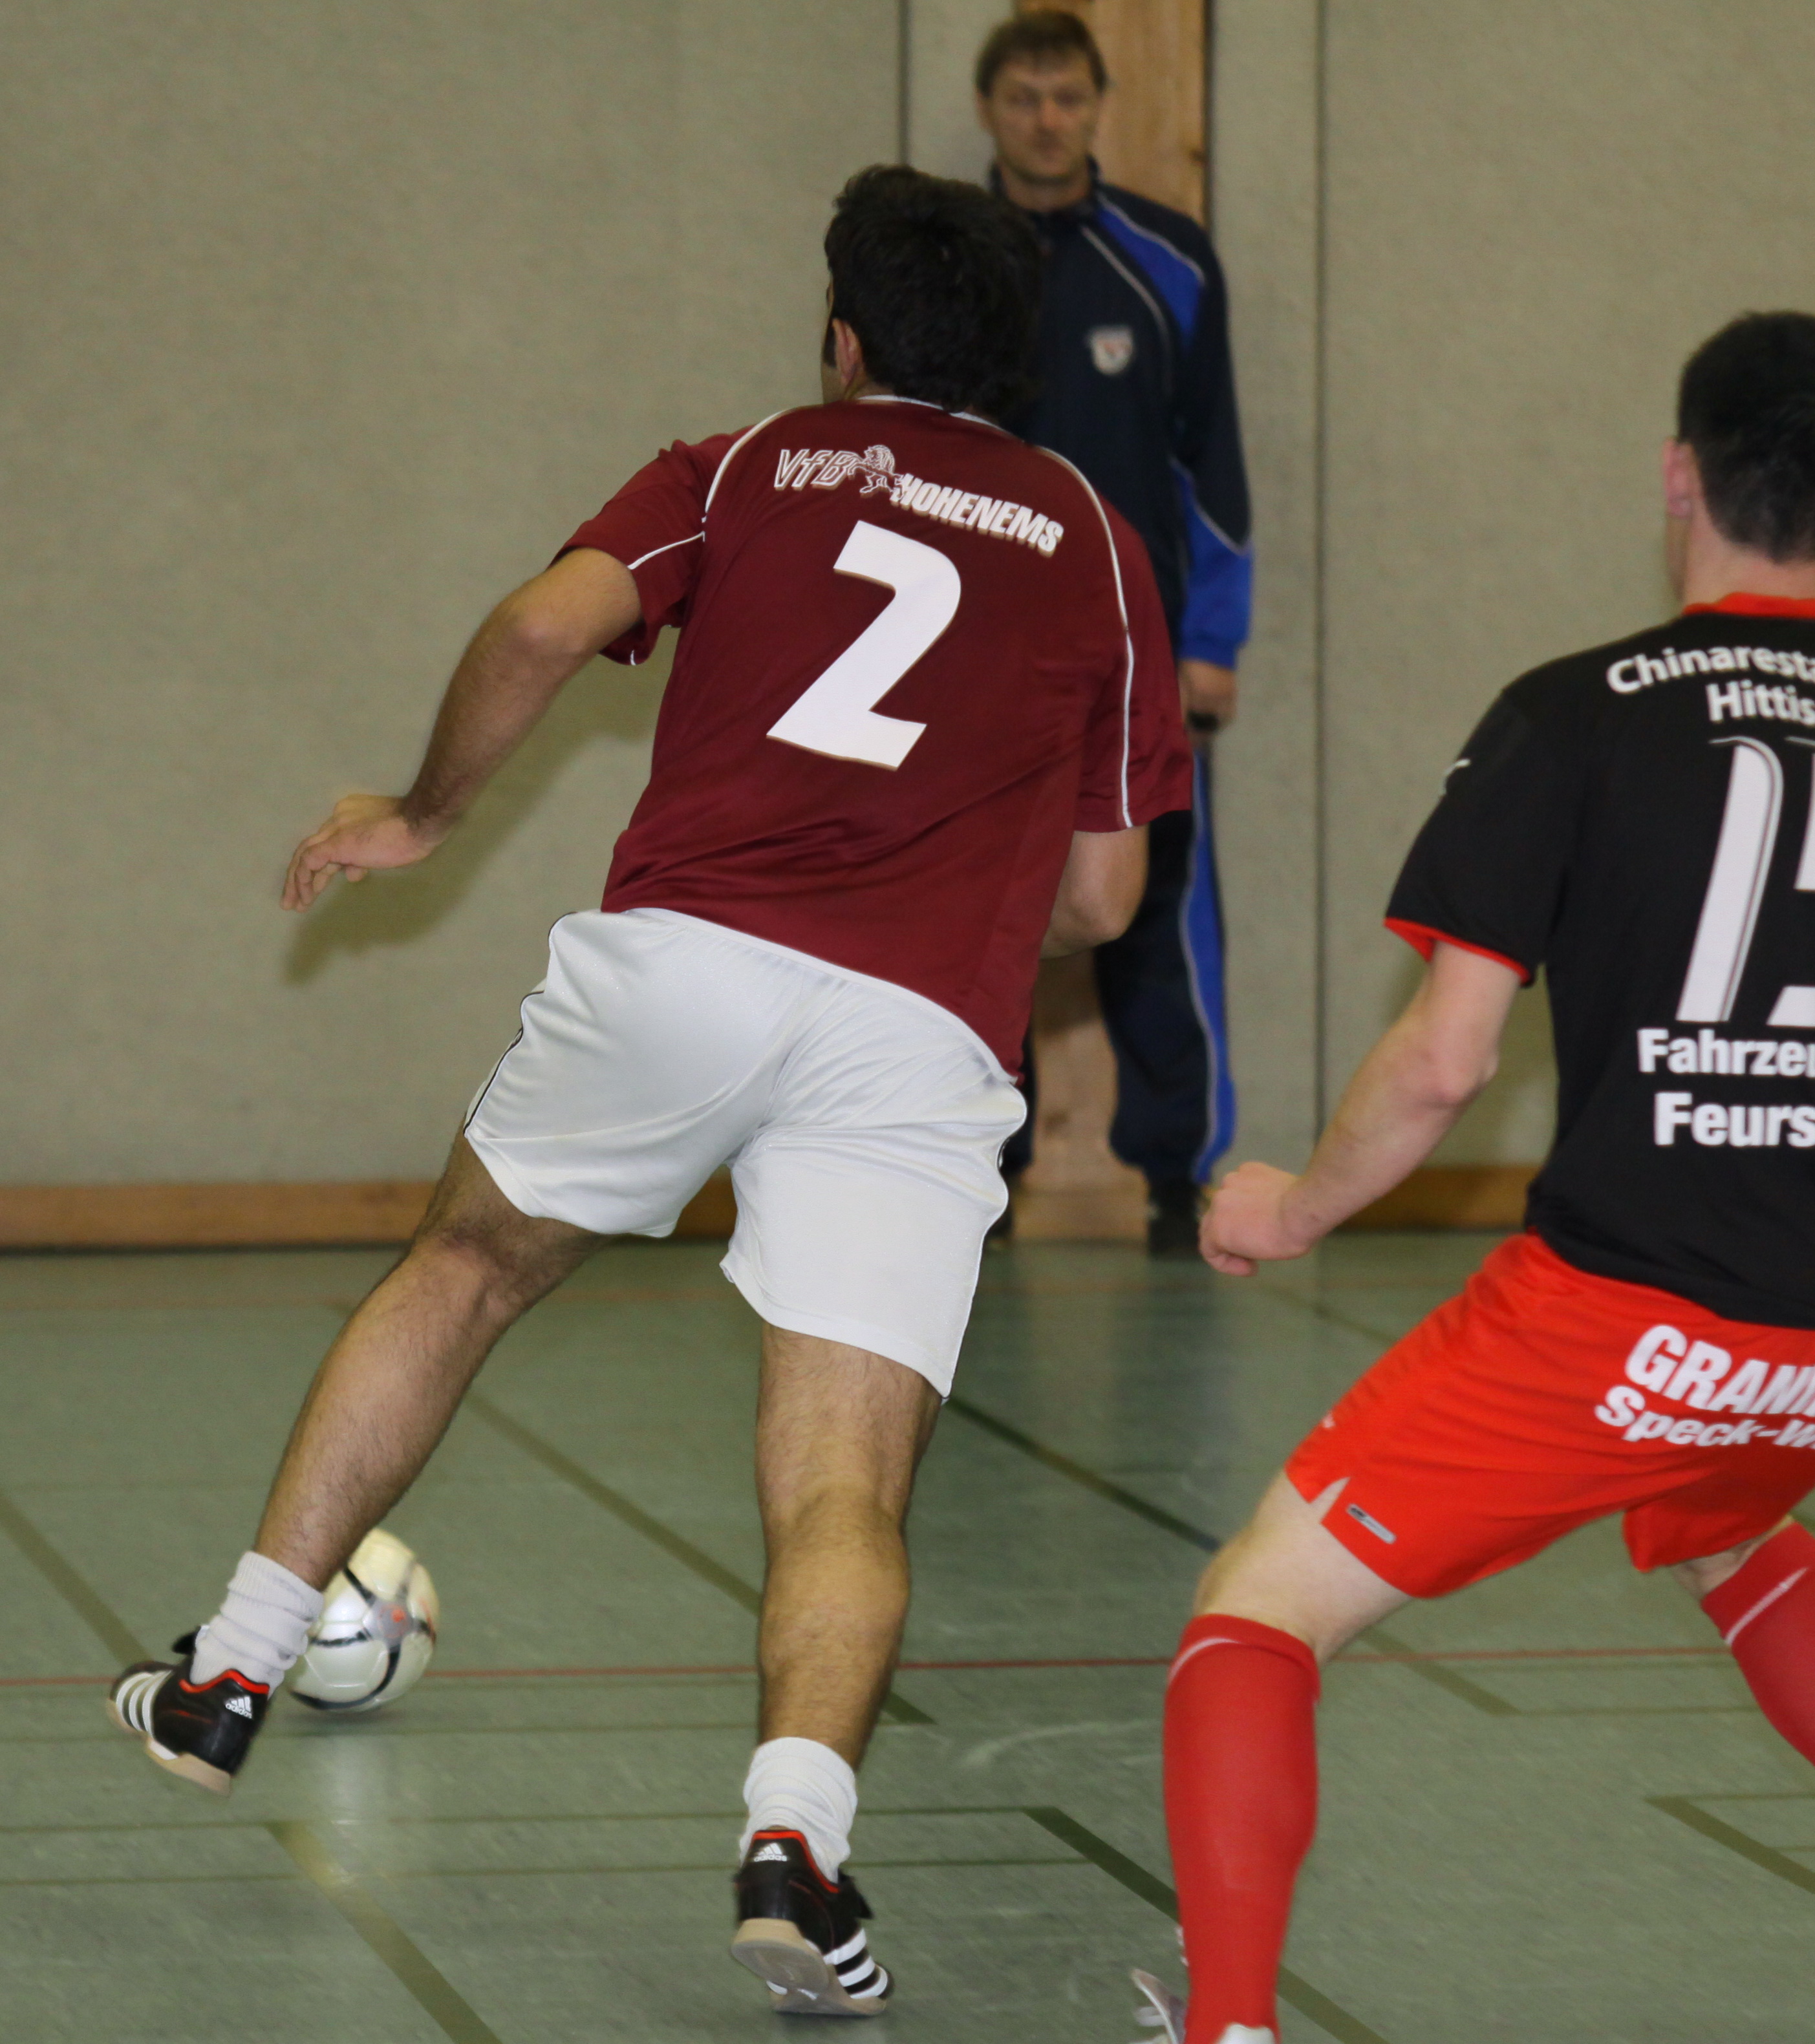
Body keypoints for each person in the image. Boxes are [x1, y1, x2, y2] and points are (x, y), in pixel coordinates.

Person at [105, 165, 1190, 2018]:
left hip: (685, 960)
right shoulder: (1097, 543)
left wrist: (424, 811)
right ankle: (793, 1851)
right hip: (913, 1030)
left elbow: (542, 628)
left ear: (842, 337)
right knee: (844, 1477)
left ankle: (232, 1670)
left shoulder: (744, 462)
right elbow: (1103, 898)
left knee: (463, 1267)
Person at [1139, 314, 1815, 2044]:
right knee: (1725, 1525)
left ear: (1677, 473)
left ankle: (1227, 2027)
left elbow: (1443, 1061)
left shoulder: (1572, 714)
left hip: (1624, 1318)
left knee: (1258, 1609)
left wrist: (1284, 1209)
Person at [975, 9, 1253, 1252]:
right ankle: (975, 1172)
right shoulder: (954, 259)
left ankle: (1176, 1179)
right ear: (989, 110)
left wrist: (1212, 640)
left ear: (1096, 106)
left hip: (1140, 665)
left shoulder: (1169, 261)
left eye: (1067, 98)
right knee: (984, 915)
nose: (1047, 120)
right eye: (1023, 98)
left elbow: (1214, 467)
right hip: (979, 666)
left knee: (1156, 918)